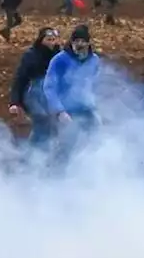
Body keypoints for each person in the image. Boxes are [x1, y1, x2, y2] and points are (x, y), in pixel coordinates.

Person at [43, 24, 102, 158]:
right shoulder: (59, 60)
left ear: (88, 43)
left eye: (82, 41)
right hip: (66, 112)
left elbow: (96, 85)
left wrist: (96, 108)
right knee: (65, 147)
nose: (79, 44)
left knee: (94, 144)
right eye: (76, 41)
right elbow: (49, 87)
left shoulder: (94, 60)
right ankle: (52, 175)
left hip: (86, 110)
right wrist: (60, 111)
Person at [8, 27, 59, 149]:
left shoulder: (58, 55)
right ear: (41, 40)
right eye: (48, 39)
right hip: (32, 94)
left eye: (53, 39)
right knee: (42, 120)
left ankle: (46, 153)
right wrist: (14, 102)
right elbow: (20, 78)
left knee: (53, 125)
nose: (51, 42)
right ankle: (31, 155)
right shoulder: (31, 55)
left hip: (49, 93)